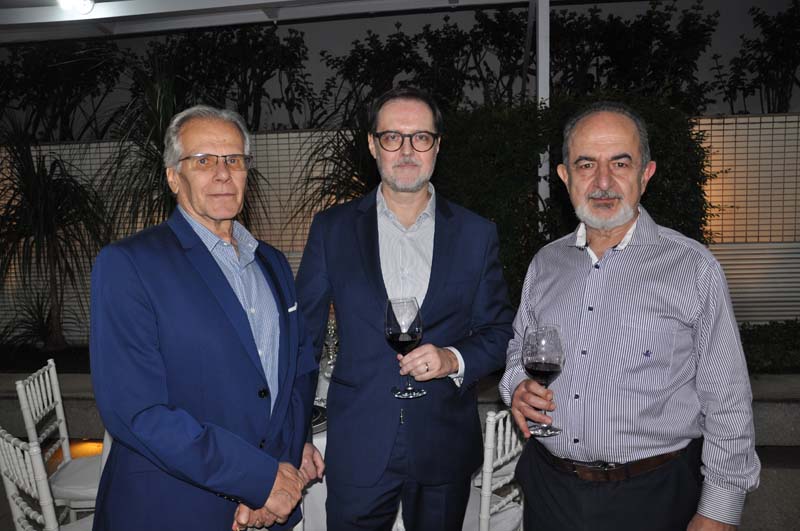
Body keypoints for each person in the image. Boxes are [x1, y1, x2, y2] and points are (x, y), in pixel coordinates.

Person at [500, 101, 760, 531]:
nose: (603, 182)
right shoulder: (546, 263)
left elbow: (727, 398)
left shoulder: (692, 268)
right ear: (565, 177)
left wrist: (719, 509)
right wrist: (517, 386)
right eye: (586, 164)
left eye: (620, 163)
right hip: (550, 491)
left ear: (646, 174)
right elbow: (519, 349)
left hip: (654, 496)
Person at [90, 105, 323, 531]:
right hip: (174, 510)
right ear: (173, 177)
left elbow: (299, 369)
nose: (222, 174)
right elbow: (137, 411)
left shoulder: (272, 262)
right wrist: (259, 479)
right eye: (203, 161)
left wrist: (287, 459)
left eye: (234, 159)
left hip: (273, 506)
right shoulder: (129, 265)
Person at [296, 86, 514, 530]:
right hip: (358, 443)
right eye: (393, 137)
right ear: (373, 144)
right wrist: (295, 433)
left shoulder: (476, 234)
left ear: (437, 145)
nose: (407, 150)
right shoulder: (332, 230)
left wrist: (452, 358)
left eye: (421, 137)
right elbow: (304, 338)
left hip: (444, 442)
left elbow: (499, 333)